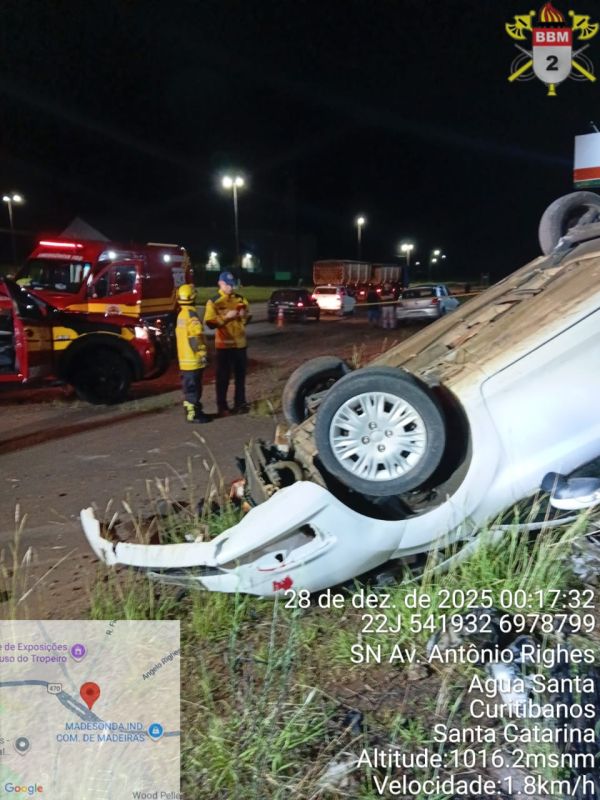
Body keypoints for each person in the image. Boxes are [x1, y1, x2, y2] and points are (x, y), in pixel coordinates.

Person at [204, 271, 251, 416]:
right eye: (228, 285)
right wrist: (226, 317)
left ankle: (240, 403)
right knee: (222, 379)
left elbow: (247, 318)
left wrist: (244, 317)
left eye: (232, 285)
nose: (231, 288)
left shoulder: (241, 299)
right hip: (224, 347)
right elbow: (210, 323)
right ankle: (222, 407)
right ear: (220, 284)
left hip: (240, 345)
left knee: (240, 378)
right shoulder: (214, 301)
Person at [176, 283, 209, 424]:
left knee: (190, 388)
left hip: (184, 359)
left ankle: (195, 411)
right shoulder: (191, 314)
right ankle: (193, 415)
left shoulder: (181, 314)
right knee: (193, 389)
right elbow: (196, 334)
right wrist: (202, 352)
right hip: (193, 359)